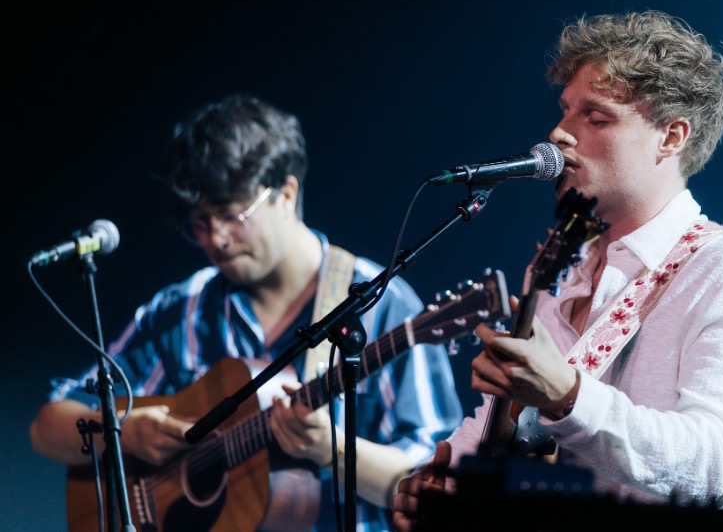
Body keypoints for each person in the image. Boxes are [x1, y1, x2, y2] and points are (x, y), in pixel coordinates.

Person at [391, 10, 723, 529]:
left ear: (671, 136)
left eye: (596, 117)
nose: (558, 134)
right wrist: (446, 474)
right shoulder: (559, 272)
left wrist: (568, 395)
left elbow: (715, 467)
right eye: (566, 111)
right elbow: (509, 423)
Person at [29, 94, 464, 532]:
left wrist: (331, 450)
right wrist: (124, 434)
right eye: (199, 223)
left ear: (286, 194)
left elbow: (432, 485)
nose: (215, 240)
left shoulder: (381, 304)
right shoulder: (182, 309)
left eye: (231, 216)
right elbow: (47, 426)